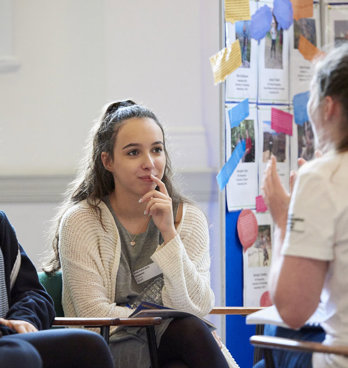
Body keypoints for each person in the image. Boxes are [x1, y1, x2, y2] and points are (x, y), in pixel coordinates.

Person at [43, 100, 237, 368]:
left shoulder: (187, 219)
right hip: (105, 349)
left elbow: (196, 307)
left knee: (188, 334)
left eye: (157, 150)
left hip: (172, 342)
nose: (149, 163)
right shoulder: (81, 221)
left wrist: (169, 233)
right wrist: (154, 321)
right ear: (107, 161)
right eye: (133, 152)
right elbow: (92, 314)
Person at [256, 43, 348, 368]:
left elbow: (293, 310)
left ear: (329, 107)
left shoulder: (322, 177)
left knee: (273, 331)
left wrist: (284, 221)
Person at [0, 211, 114, 368]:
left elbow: (34, 294)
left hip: (7, 336)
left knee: (87, 345)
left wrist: (23, 319)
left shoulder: (1, 223)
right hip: (10, 344)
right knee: (19, 355)